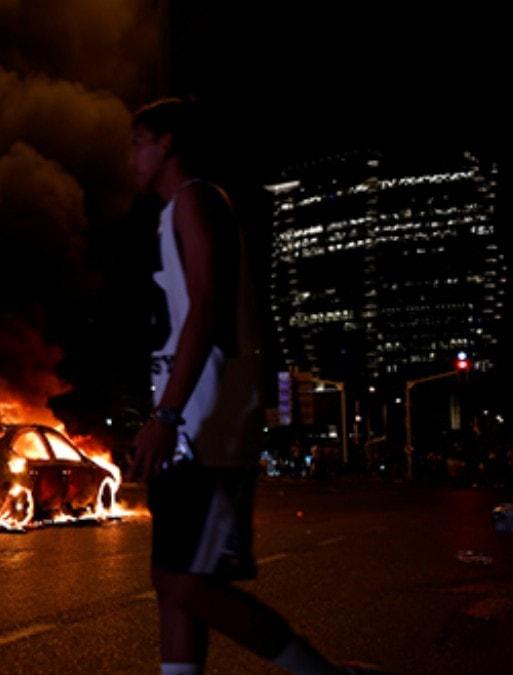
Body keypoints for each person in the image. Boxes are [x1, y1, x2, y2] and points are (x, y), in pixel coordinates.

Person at [126, 97, 383, 675]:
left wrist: (165, 417)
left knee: (191, 585)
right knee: (171, 580)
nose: (131, 159)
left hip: (208, 425)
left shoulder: (195, 198)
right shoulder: (175, 212)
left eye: (136, 143)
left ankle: (320, 672)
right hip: (189, 424)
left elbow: (207, 305)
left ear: (164, 142)